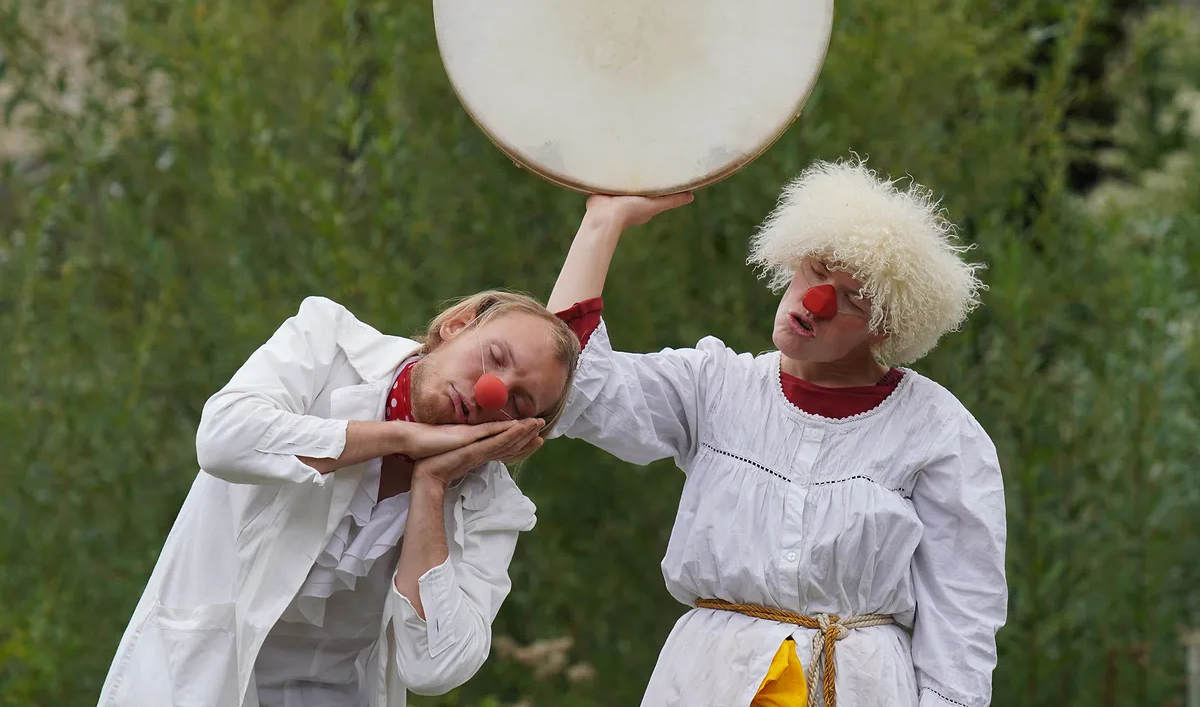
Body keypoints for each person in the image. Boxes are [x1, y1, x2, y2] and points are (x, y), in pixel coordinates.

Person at [546, 159, 1008, 707]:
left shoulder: (938, 430)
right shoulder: (714, 385)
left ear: (886, 327)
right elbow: (572, 388)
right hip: (708, 684)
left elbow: (963, 615)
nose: (817, 302)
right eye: (815, 271)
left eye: (853, 299)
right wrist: (601, 224)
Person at [98, 290, 580, 707]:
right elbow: (224, 437)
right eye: (495, 357)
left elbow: (436, 666)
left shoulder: (494, 507)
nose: (491, 391)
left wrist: (430, 487)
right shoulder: (327, 344)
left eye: (517, 403)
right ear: (455, 326)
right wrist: (400, 438)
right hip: (199, 684)